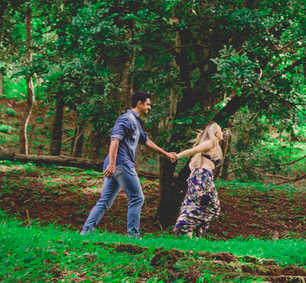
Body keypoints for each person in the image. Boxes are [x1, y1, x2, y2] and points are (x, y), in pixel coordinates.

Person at [80, 91, 177, 237]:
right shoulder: (126, 119)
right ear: (140, 104)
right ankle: (133, 235)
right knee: (137, 197)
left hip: (117, 163)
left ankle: (86, 232)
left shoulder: (135, 122)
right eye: (148, 104)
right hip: (121, 163)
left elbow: (147, 141)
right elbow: (115, 139)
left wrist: (166, 154)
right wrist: (112, 164)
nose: (149, 108)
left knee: (105, 201)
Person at [171, 122, 225, 237]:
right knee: (213, 207)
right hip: (203, 177)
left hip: (202, 176)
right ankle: (183, 224)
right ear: (215, 133)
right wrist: (177, 156)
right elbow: (193, 150)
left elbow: (192, 165)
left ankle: (192, 234)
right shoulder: (210, 143)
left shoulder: (214, 146)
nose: (222, 132)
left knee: (203, 205)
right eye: (220, 130)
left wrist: (196, 173)